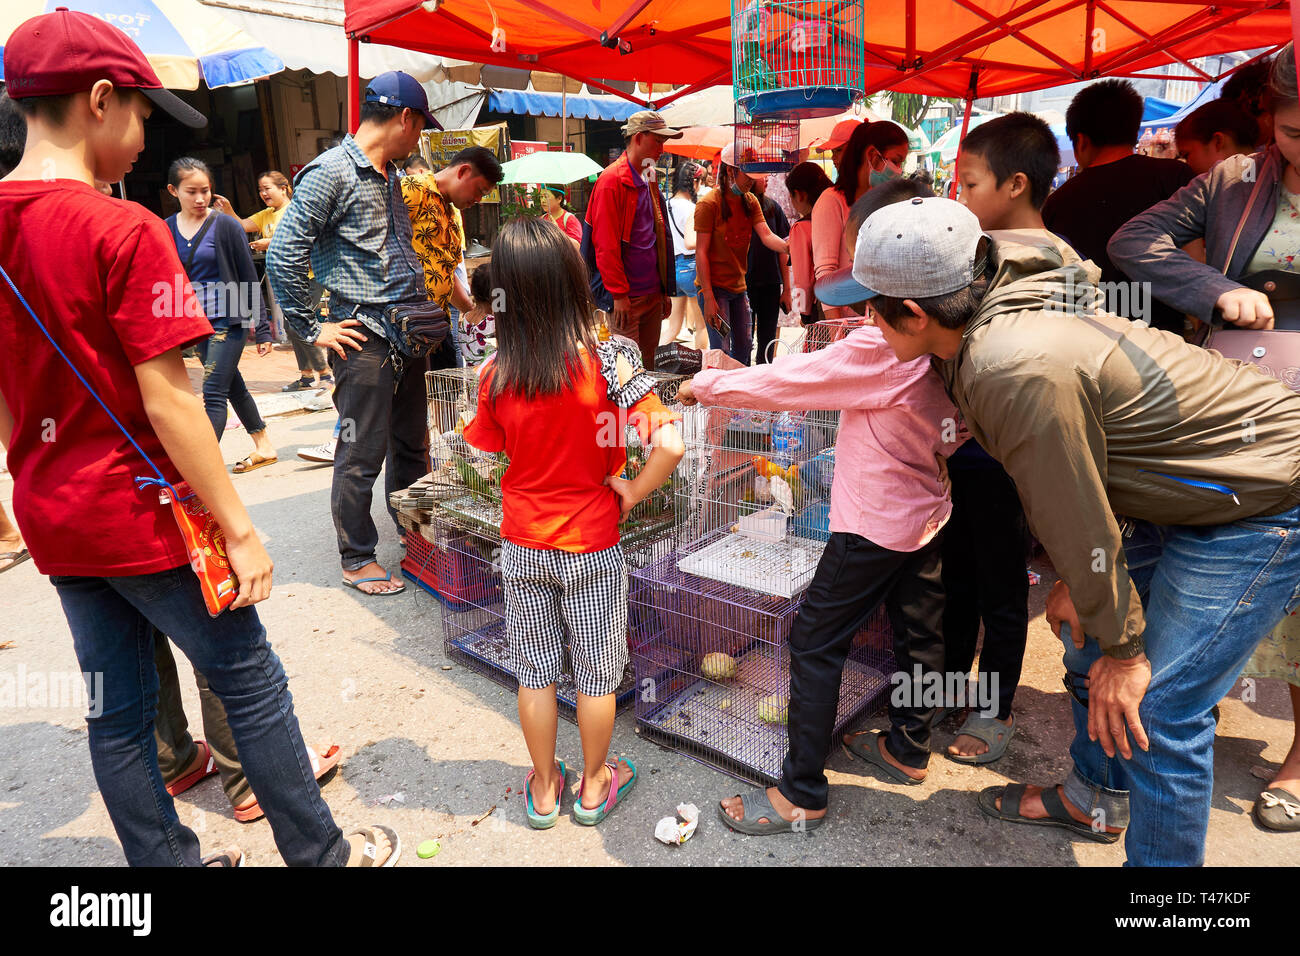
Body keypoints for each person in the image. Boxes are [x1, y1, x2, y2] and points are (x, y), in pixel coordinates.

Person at [0, 8, 397, 866]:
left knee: (116, 708)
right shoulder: (125, 229)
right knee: (248, 677)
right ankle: (323, 856)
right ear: (100, 100)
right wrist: (241, 529)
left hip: (53, 515)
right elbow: (173, 399)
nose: (145, 135)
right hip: (141, 516)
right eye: (142, 112)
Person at [857, 195, 1300, 867]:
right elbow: (1084, 465)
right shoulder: (983, 305)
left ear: (916, 314)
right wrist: (1082, 587)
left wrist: (1126, 648)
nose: (864, 319)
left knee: (1159, 706)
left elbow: (1071, 504)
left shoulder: (1012, 365)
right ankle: (1094, 798)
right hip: (1168, 480)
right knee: (1087, 640)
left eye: (871, 305)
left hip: (1257, 490)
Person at [682, 179, 958, 834]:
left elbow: (790, 381)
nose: (863, 309)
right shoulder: (955, 341)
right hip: (929, 510)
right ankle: (910, 747)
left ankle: (800, 790)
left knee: (812, 641)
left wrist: (707, 383)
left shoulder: (878, 345)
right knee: (920, 628)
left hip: (873, 523)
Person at [1111, 43, 1300, 837]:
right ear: (1267, 119)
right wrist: (1218, 291)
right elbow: (1134, 243)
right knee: (1224, 627)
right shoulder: (1232, 180)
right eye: (1293, 131)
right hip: (1238, 422)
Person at [462, 217, 683, 828]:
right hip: (593, 544)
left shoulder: (496, 372)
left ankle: (541, 787)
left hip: (524, 543)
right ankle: (592, 786)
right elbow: (672, 443)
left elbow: (483, 450)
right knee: (595, 671)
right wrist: (633, 490)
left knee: (534, 673)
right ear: (569, 280)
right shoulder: (611, 358)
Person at [266, 70, 440, 597]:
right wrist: (312, 327)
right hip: (363, 335)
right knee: (361, 450)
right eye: (419, 128)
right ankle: (357, 556)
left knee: (412, 445)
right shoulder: (331, 172)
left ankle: (415, 538)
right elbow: (282, 253)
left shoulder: (387, 174)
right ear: (404, 119)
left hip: (407, 333)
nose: (419, 139)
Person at [933, 111, 1062, 762]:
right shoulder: (977, 256)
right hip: (960, 455)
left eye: (971, 183)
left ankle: (995, 708)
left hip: (1011, 461)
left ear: (1015, 185)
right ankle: (953, 690)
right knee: (956, 580)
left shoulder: (1052, 268)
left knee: (1003, 590)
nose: (961, 196)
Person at [1041, 79, 1196, 335]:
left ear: (1081, 141)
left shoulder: (1059, 201)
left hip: (1086, 336)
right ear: (1134, 130)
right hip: (1163, 340)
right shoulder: (1176, 177)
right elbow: (1195, 259)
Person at [165, 157, 278, 474]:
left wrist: (263, 328)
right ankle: (264, 445)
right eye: (191, 192)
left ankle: (201, 470)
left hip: (229, 319)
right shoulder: (166, 229)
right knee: (232, 386)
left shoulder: (226, 225)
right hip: (196, 323)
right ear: (174, 191)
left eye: (205, 190)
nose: (200, 199)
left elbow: (246, 276)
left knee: (213, 392)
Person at [215, 170, 332, 391]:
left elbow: (301, 240)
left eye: (267, 188)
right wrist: (228, 208)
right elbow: (241, 225)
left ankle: (324, 373)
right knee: (291, 326)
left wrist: (269, 243)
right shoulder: (266, 214)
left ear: (283, 188)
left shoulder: (296, 211)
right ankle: (307, 376)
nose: (263, 193)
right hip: (283, 278)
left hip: (306, 277)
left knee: (302, 325)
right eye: (260, 189)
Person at [585, 110, 683, 370]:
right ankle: (624, 414)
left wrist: (664, 290)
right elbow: (604, 246)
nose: (663, 148)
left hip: (651, 293)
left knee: (648, 366)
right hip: (626, 299)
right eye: (658, 141)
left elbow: (658, 236)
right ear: (639, 138)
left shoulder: (649, 177)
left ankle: (645, 413)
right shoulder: (610, 181)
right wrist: (618, 295)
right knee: (627, 371)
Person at [400, 143, 500, 370]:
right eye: (480, 191)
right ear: (463, 172)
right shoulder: (414, 189)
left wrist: (473, 311)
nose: (479, 200)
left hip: (437, 324)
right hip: (406, 324)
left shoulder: (452, 215)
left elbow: (446, 275)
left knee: (444, 394)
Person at [694, 143, 789, 366]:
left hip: (738, 288)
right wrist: (708, 297)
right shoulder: (708, 204)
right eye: (748, 175)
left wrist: (788, 247)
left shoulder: (750, 201)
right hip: (714, 290)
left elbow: (767, 236)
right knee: (722, 350)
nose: (752, 181)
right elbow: (701, 253)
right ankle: (719, 398)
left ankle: (738, 398)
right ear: (730, 171)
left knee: (745, 345)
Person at [812, 120, 910, 319]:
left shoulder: (884, 201)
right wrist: (837, 332)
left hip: (879, 318)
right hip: (846, 318)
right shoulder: (831, 201)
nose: (899, 170)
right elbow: (825, 273)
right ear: (872, 156)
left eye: (901, 163)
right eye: (896, 161)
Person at [661, 162, 708, 349]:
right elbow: (693, 242)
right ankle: (702, 372)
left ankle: (650, 363)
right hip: (691, 267)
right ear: (694, 182)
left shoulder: (666, 205)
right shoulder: (692, 208)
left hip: (672, 270)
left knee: (673, 326)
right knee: (701, 326)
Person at [746, 175, 792, 363]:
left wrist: (787, 290)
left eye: (766, 175)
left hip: (770, 283)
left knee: (767, 340)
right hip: (742, 285)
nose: (766, 179)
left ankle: (762, 380)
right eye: (760, 176)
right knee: (743, 342)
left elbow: (783, 251)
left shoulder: (773, 208)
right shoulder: (737, 208)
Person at [784, 161, 833, 324]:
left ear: (799, 195)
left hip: (821, 305)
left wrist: (804, 313)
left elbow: (803, 280)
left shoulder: (801, 229)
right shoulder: (838, 213)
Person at [1174, 99, 1260, 176]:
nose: (1187, 164)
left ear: (1218, 142)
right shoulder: (1265, 178)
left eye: (1186, 155)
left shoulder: (1217, 189)